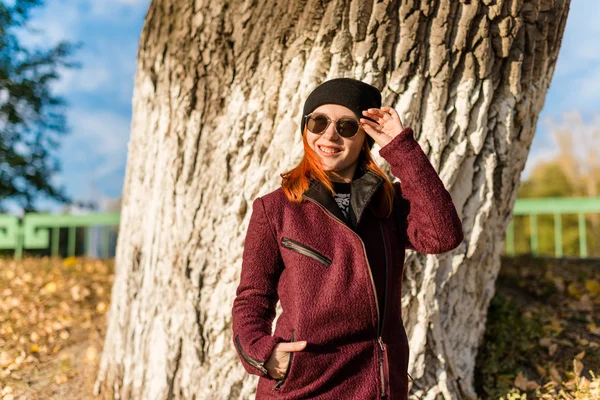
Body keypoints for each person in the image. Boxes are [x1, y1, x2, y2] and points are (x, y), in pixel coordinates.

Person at [231, 78, 463, 399]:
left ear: (364, 137)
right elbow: (253, 297)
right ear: (305, 128)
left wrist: (400, 147)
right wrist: (263, 354)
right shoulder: (276, 208)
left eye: (346, 126)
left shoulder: (388, 204)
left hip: (376, 386)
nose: (329, 134)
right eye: (319, 121)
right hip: (302, 386)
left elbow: (442, 236)